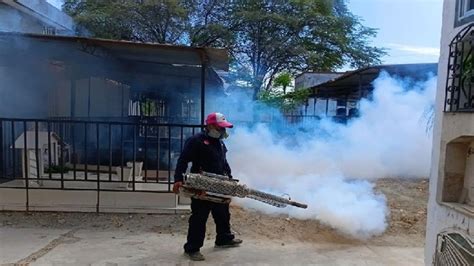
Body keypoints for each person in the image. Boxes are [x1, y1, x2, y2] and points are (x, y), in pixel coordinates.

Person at [172, 112, 243, 261]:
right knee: (199, 217)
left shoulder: (219, 142)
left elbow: (224, 162)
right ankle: (192, 248)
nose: (223, 131)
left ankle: (224, 238)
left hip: (219, 184)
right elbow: (183, 160)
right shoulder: (196, 141)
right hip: (201, 185)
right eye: (220, 127)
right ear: (210, 126)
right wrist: (178, 179)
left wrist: (229, 179)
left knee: (223, 213)